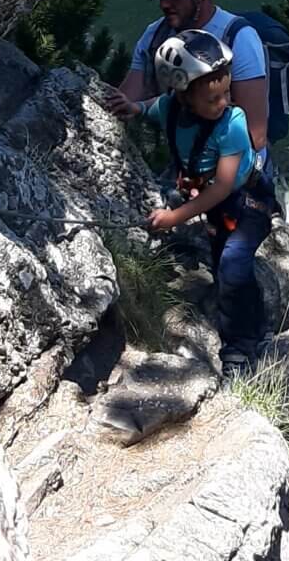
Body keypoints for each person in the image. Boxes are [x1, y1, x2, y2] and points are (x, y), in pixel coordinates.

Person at [107, 28, 277, 377]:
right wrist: (134, 108)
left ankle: (241, 348)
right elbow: (155, 108)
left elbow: (223, 186)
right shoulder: (172, 109)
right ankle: (257, 325)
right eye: (213, 99)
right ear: (183, 96)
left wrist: (174, 217)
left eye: (226, 93)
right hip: (217, 207)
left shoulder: (233, 123)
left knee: (232, 262)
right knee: (224, 264)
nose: (224, 103)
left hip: (247, 202)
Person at [118, 0, 269, 160]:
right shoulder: (154, 36)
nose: (164, 3)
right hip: (186, 168)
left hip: (233, 178)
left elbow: (256, 137)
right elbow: (126, 101)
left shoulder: (240, 39)